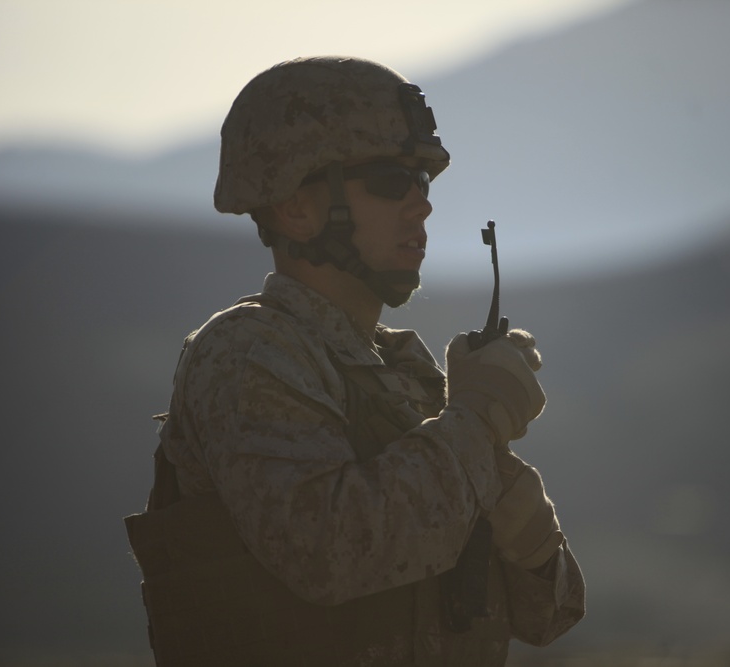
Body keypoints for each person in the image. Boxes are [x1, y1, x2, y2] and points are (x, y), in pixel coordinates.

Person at [124, 56, 585, 667]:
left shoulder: (406, 377)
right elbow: (328, 553)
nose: (420, 206)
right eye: (392, 182)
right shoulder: (246, 355)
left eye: (423, 184)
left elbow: (548, 616)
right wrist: (473, 421)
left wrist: (530, 538)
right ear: (295, 207)